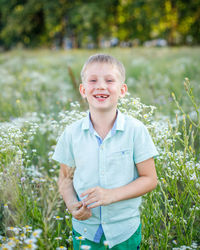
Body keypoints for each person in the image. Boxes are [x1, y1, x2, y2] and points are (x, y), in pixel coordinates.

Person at [52, 54, 158, 249]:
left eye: (109, 80)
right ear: (83, 90)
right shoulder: (71, 133)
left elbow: (150, 179)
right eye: (93, 80)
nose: (101, 86)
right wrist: (71, 205)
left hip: (124, 231)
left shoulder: (136, 130)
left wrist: (112, 195)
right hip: (85, 230)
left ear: (122, 90)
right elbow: (65, 178)